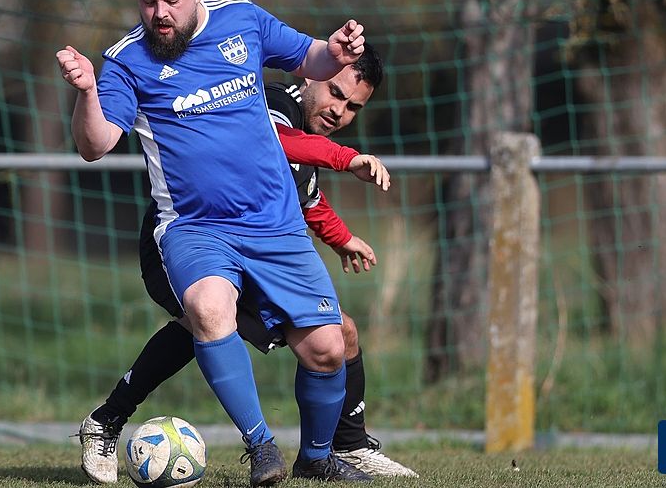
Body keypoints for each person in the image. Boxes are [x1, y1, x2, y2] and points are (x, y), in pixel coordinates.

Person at [57, 0, 372, 484]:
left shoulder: (242, 19)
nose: (160, 14)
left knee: (327, 347)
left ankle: (318, 456)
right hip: (195, 228)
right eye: (148, 1)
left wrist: (336, 52)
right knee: (206, 309)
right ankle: (261, 447)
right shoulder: (127, 61)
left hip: (274, 225)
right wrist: (88, 91)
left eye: (172, 0)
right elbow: (95, 144)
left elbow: (312, 59)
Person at [78, 44, 418, 484]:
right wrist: (345, 157)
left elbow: (307, 196)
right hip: (186, 236)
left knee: (336, 334)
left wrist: (342, 239)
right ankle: (115, 423)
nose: (339, 110)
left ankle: (343, 448)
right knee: (208, 315)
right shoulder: (274, 102)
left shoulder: (309, 132)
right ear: (312, 75)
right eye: (335, 93)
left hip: (254, 245)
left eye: (353, 107)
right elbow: (275, 139)